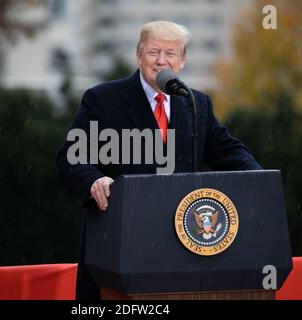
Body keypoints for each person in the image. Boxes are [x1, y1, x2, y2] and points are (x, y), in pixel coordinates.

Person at [56, 20, 262, 300]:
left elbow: (229, 151)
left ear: (183, 60)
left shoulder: (195, 104)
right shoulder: (103, 100)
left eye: (170, 53)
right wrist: (94, 181)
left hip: (183, 244)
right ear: (139, 55)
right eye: (153, 52)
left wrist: (258, 180)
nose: (161, 61)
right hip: (119, 243)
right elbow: (71, 158)